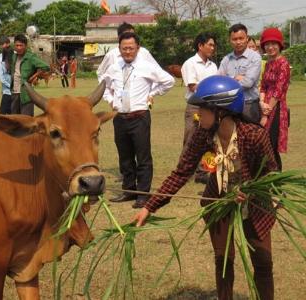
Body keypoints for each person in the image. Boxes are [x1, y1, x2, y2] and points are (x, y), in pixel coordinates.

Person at [134, 75, 278, 300]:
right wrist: (149, 207)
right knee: (223, 260)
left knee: (262, 261)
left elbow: (272, 174)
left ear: (222, 112)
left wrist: (249, 192)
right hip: (218, 202)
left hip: (255, 205)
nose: (198, 113)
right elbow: (181, 172)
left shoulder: (254, 136)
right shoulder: (203, 134)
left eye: (203, 109)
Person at [103, 32, 174, 208]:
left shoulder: (146, 66)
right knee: (124, 157)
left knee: (143, 157)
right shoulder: (113, 67)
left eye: (131, 48)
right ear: (119, 49)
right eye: (124, 48)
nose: (128, 51)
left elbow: (169, 81)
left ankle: (143, 194)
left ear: (138, 48)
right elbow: (103, 85)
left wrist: (152, 93)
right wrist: (111, 100)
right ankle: (129, 190)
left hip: (140, 116)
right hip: (120, 117)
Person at [181, 32, 218, 183]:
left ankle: (203, 172)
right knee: (191, 138)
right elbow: (192, 86)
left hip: (210, 107)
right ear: (200, 46)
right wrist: (212, 89)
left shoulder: (213, 65)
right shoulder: (190, 63)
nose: (212, 48)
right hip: (195, 106)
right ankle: (184, 171)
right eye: (210, 44)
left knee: (209, 140)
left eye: (213, 45)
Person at [259, 28, 290, 171]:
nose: (270, 47)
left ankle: (277, 177)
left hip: (276, 108)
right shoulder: (269, 63)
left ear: (280, 45)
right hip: (265, 105)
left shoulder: (283, 64)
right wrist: (261, 103)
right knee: (264, 145)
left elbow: (278, 91)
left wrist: (266, 113)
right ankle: (267, 176)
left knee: (271, 144)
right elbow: (263, 86)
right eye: (267, 44)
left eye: (274, 44)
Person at [219, 24, 262, 124]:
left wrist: (228, 80)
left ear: (247, 38)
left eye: (241, 38)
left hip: (249, 105)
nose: (238, 42)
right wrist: (235, 78)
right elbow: (219, 80)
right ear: (230, 40)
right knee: (230, 138)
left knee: (250, 138)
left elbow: (248, 83)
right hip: (229, 106)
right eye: (234, 39)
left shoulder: (255, 57)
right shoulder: (226, 59)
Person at [10, 34, 50, 116]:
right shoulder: (14, 56)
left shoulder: (30, 57)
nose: (19, 48)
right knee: (14, 120)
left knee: (27, 120)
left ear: (25, 46)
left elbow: (46, 67)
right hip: (14, 92)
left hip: (26, 93)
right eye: (17, 45)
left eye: (21, 45)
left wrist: (34, 76)